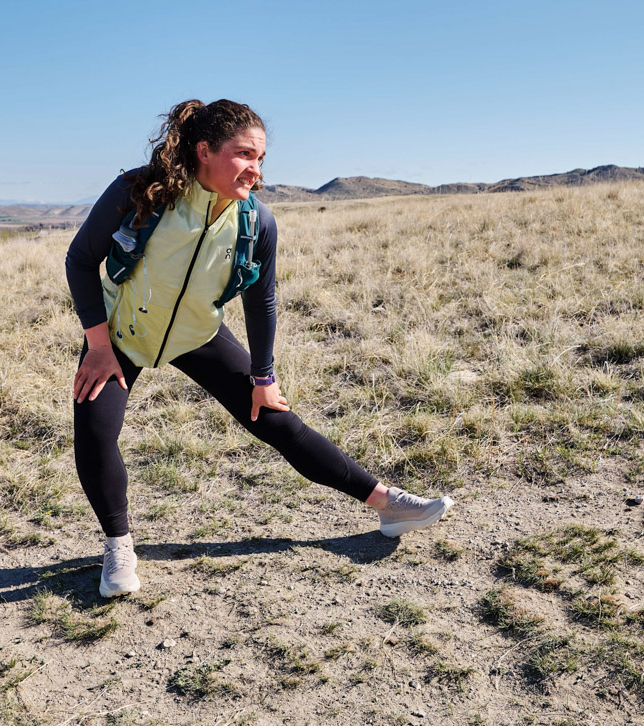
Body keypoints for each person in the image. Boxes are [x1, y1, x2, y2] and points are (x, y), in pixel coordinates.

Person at [65, 99, 454, 598]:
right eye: (244, 155)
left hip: (196, 333)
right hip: (120, 334)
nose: (256, 170)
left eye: (261, 158)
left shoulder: (256, 222)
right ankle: (119, 547)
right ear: (204, 150)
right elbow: (80, 260)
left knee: (277, 422)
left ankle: (388, 505)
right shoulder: (142, 192)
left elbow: (261, 300)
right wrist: (97, 344)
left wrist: (264, 378)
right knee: (95, 434)